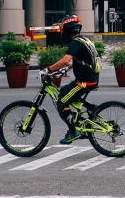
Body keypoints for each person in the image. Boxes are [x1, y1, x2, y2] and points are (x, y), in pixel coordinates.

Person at [40, 15, 99, 144]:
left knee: (61, 102)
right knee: (65, 91)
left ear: (67, 30)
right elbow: (83, 60)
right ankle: (92, 108)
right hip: (90, 78)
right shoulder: (84, 40)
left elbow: (65, 60)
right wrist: (66, 69)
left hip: (84, 81)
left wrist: (48, 70)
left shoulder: (75, 43)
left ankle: (73, 131)